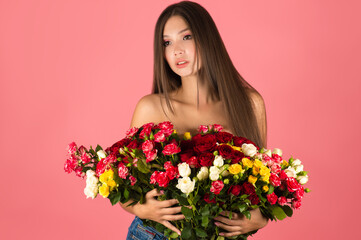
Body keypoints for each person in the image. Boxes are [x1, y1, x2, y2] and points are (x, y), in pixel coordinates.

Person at [121, 1, 268, 239]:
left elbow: (260, 182)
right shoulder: (151, 107)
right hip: (154, 234)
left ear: (208, 39)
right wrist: (141, 208)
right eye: (167, 43)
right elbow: (123, 185)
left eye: (186, 37)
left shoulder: (250, 104)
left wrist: (261, 218)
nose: (176, 50)